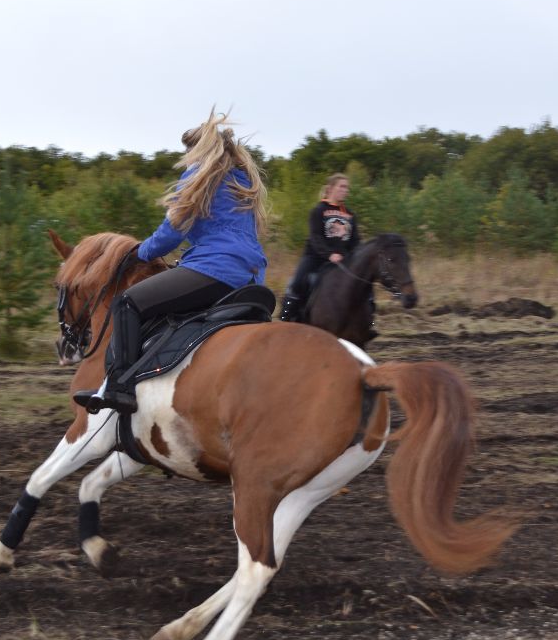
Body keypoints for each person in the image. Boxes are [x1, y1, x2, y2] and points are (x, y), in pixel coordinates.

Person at [74, 113, 268, 414]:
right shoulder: (243, 181)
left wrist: (141, 252)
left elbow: (170, 234)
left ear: (198, 150)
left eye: (188, 151)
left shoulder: (198, 176)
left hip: (214, 270)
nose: (186, 157)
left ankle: (119, 388)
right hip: (252, 277)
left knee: (127, 303)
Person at [278, 173, 360, 322]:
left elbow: (355, 241)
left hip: (343, 259)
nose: (345, 190)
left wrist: (353, 256)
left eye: (347, 187)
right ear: (330, 189)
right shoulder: (319, 210)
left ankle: (368, 321)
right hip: (315, 257)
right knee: (297, 282)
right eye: (342, 186)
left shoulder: (350, 214)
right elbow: (315, 237)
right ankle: (286, 317)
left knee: (363, 283)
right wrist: (330, 255)